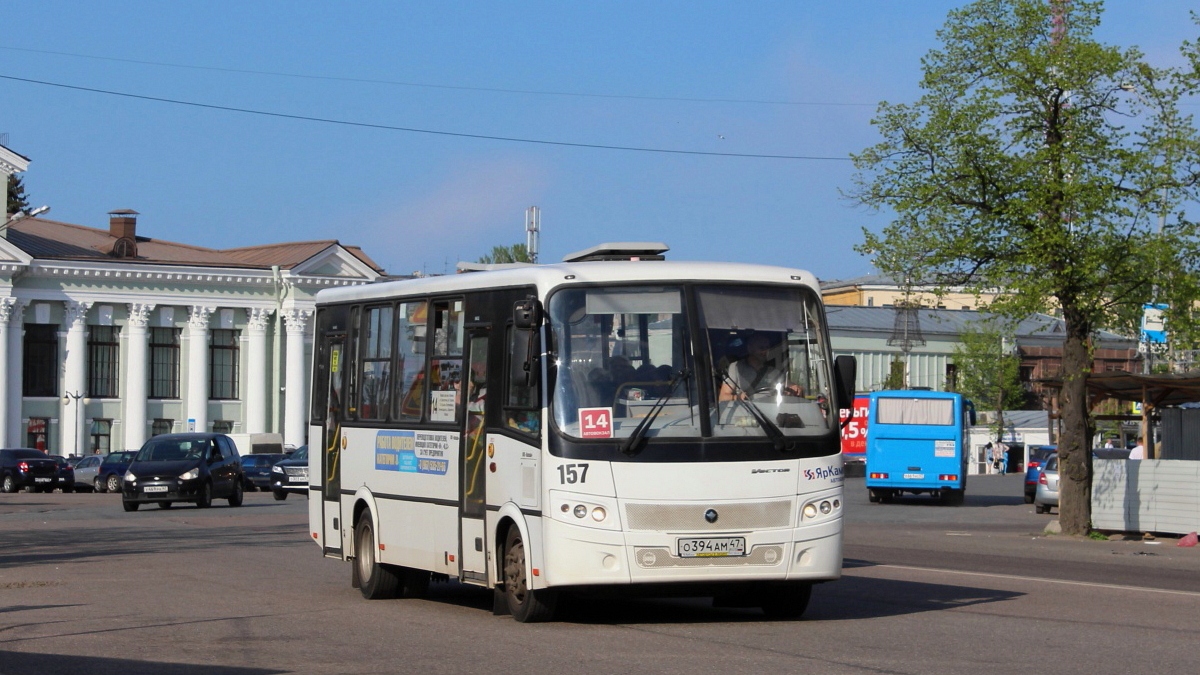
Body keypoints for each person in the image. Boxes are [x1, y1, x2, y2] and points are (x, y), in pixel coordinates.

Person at [719, 332, 800, 401]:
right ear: (750, 349)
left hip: (769, 412)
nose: (765, 351)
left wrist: (795, 388)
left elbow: (789, 385)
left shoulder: (772, 371)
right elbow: (723, 397)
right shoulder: (736, 368)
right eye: (761, 348)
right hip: (745, 412)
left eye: (767, 348)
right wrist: (738, 397)